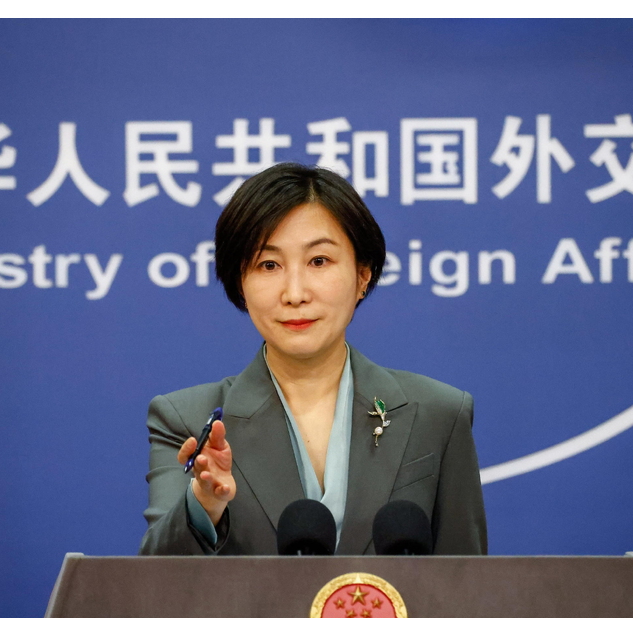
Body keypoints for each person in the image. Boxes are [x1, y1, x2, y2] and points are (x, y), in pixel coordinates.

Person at [138, 163, 486, 556]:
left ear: (363, 275)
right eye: (268, 265)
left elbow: (467, 581)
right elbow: (156, 580)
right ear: (240, 282)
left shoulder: (438, 414)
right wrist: (204, 505)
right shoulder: (189, 421)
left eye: (318, 261)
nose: (295, 293)